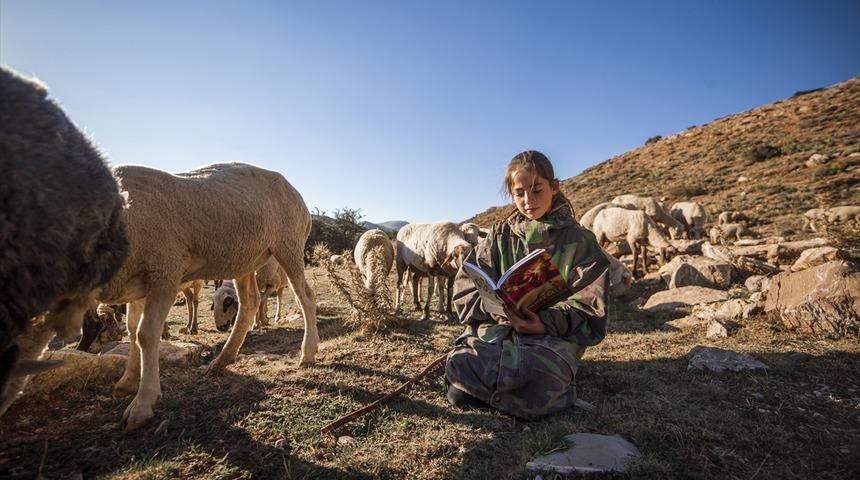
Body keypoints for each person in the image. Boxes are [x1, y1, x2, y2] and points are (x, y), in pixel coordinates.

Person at [445, 150, 609, 420]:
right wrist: (498, 310)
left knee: (537, 378)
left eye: (537, 190)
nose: (528, 200)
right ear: (511, 193)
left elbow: (591, 307)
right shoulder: (498, 237)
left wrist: (544, 323)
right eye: (519, 193)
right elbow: (466, 288)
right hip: (496, 331)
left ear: (554, 187)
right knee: (460, 374)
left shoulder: (580, 241)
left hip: (549, 339)